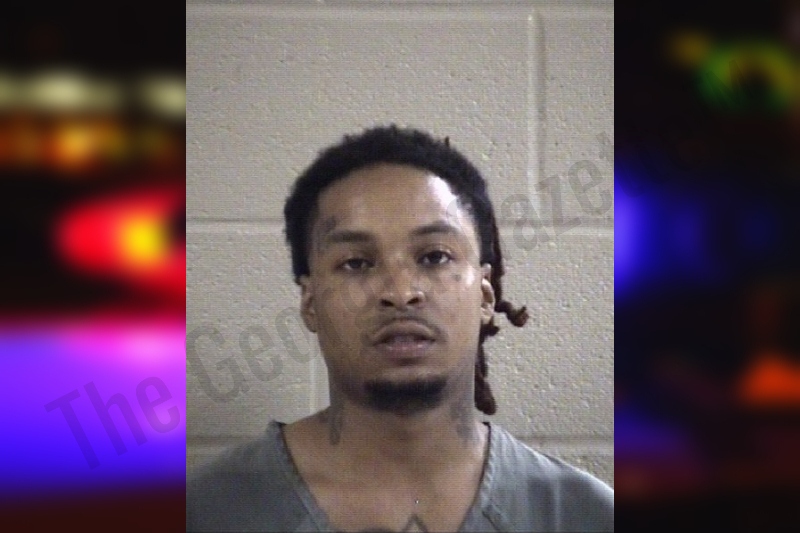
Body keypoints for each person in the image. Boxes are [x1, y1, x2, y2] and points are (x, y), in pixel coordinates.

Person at [186, 125, 614, 532]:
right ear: (310, 302)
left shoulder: (586, 515)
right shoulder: (206, 510)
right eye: (356, 263)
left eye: (434, 257)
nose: (400, 292)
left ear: (486, 296)